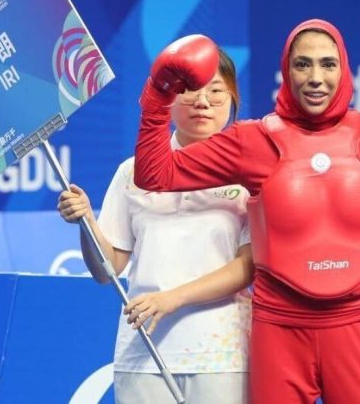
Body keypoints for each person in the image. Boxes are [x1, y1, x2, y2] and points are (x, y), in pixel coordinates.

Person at [133, 19, 360, 403]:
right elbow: (155, 173)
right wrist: (158, 96)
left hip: (356, 326)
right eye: (303, 64)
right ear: (287, 71)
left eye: (327, 64)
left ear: (343, 69)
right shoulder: (253, 141)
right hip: (279, 329)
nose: (316, 77)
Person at [57, 48, 252, 404]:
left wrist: (172, 298)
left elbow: (247, 267)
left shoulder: (249, 174)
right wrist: (86, 222)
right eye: (189, 89)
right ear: (167, 97)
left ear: (233, 98)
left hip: (222, 354)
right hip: (143, 350)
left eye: (216, 91)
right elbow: (107, 270)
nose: (202, 102)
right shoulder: (132, 172)